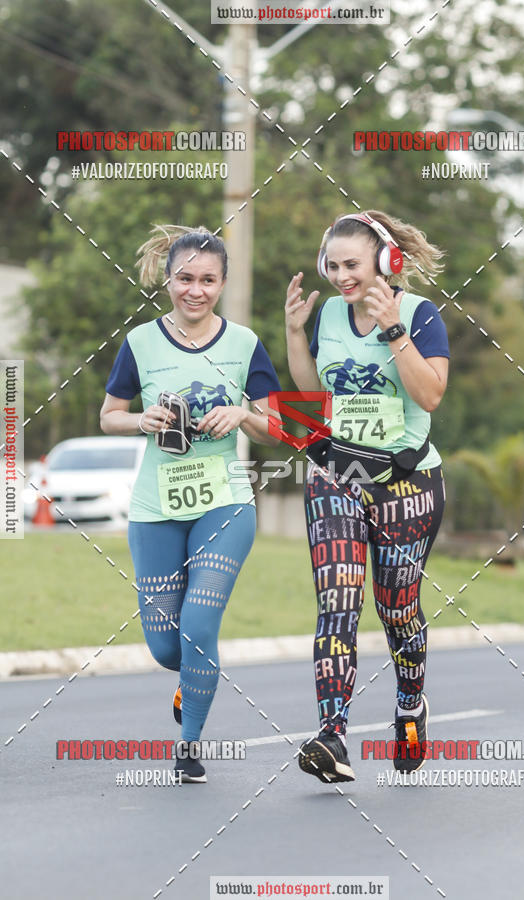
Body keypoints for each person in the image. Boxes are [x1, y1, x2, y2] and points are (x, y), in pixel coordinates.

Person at [100, 224, 281, 783]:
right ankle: (189, 680)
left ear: (222, 283)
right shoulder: (139, 343)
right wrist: (140, 420)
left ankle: (189, 746)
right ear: (168, 279)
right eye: (185, 278)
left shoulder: (245, 344)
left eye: (207, 279)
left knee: (198, 627)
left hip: (223, 502)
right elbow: (108, 415)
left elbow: (277, 428)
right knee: (165, 646)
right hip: (155, 506)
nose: (194, 290)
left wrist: (244, 415)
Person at [285, 211, 449, 783]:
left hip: (406, 482)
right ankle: (332, 736)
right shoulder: (329, 312)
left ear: (384, 260)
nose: (339, 277)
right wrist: (292, 335)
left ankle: (410, 704)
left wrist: (393, 330)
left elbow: (429, 396)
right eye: (331, 265)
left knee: (397, 610)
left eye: (351, 265)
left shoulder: (421, 315)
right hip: (338, 474)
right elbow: (311, 397)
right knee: (338, 602)